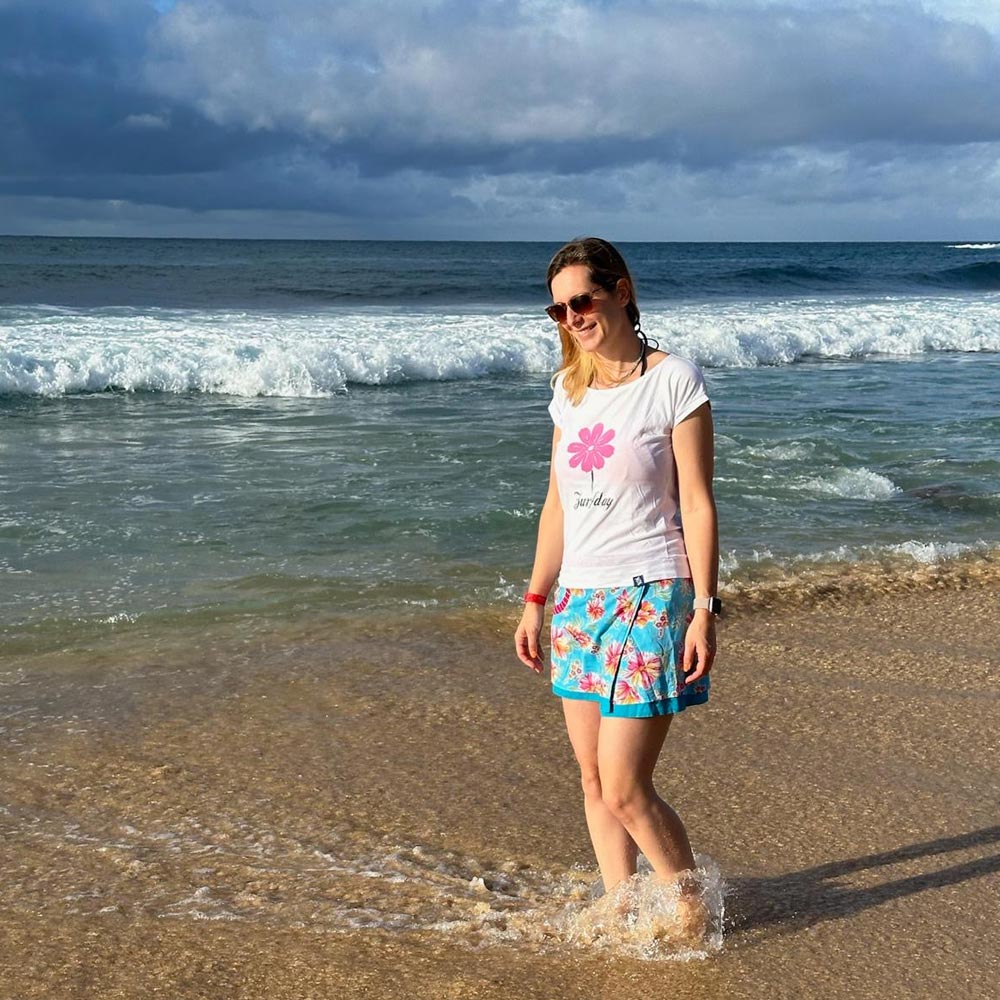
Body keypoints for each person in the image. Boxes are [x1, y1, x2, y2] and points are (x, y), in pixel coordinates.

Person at [514, 237, 720, 930]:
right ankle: (621, 905)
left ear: (621, 290)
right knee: (594, 780)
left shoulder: (674, 382)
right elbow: (555, 505)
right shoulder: (567, 393)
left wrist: (704, 609)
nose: (572, 316)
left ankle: (693, 910)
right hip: (578, 600)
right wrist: (535, 600)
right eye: (559, 308)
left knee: (628, 786)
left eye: (583, 299)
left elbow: (696, 502)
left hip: (650, 593)